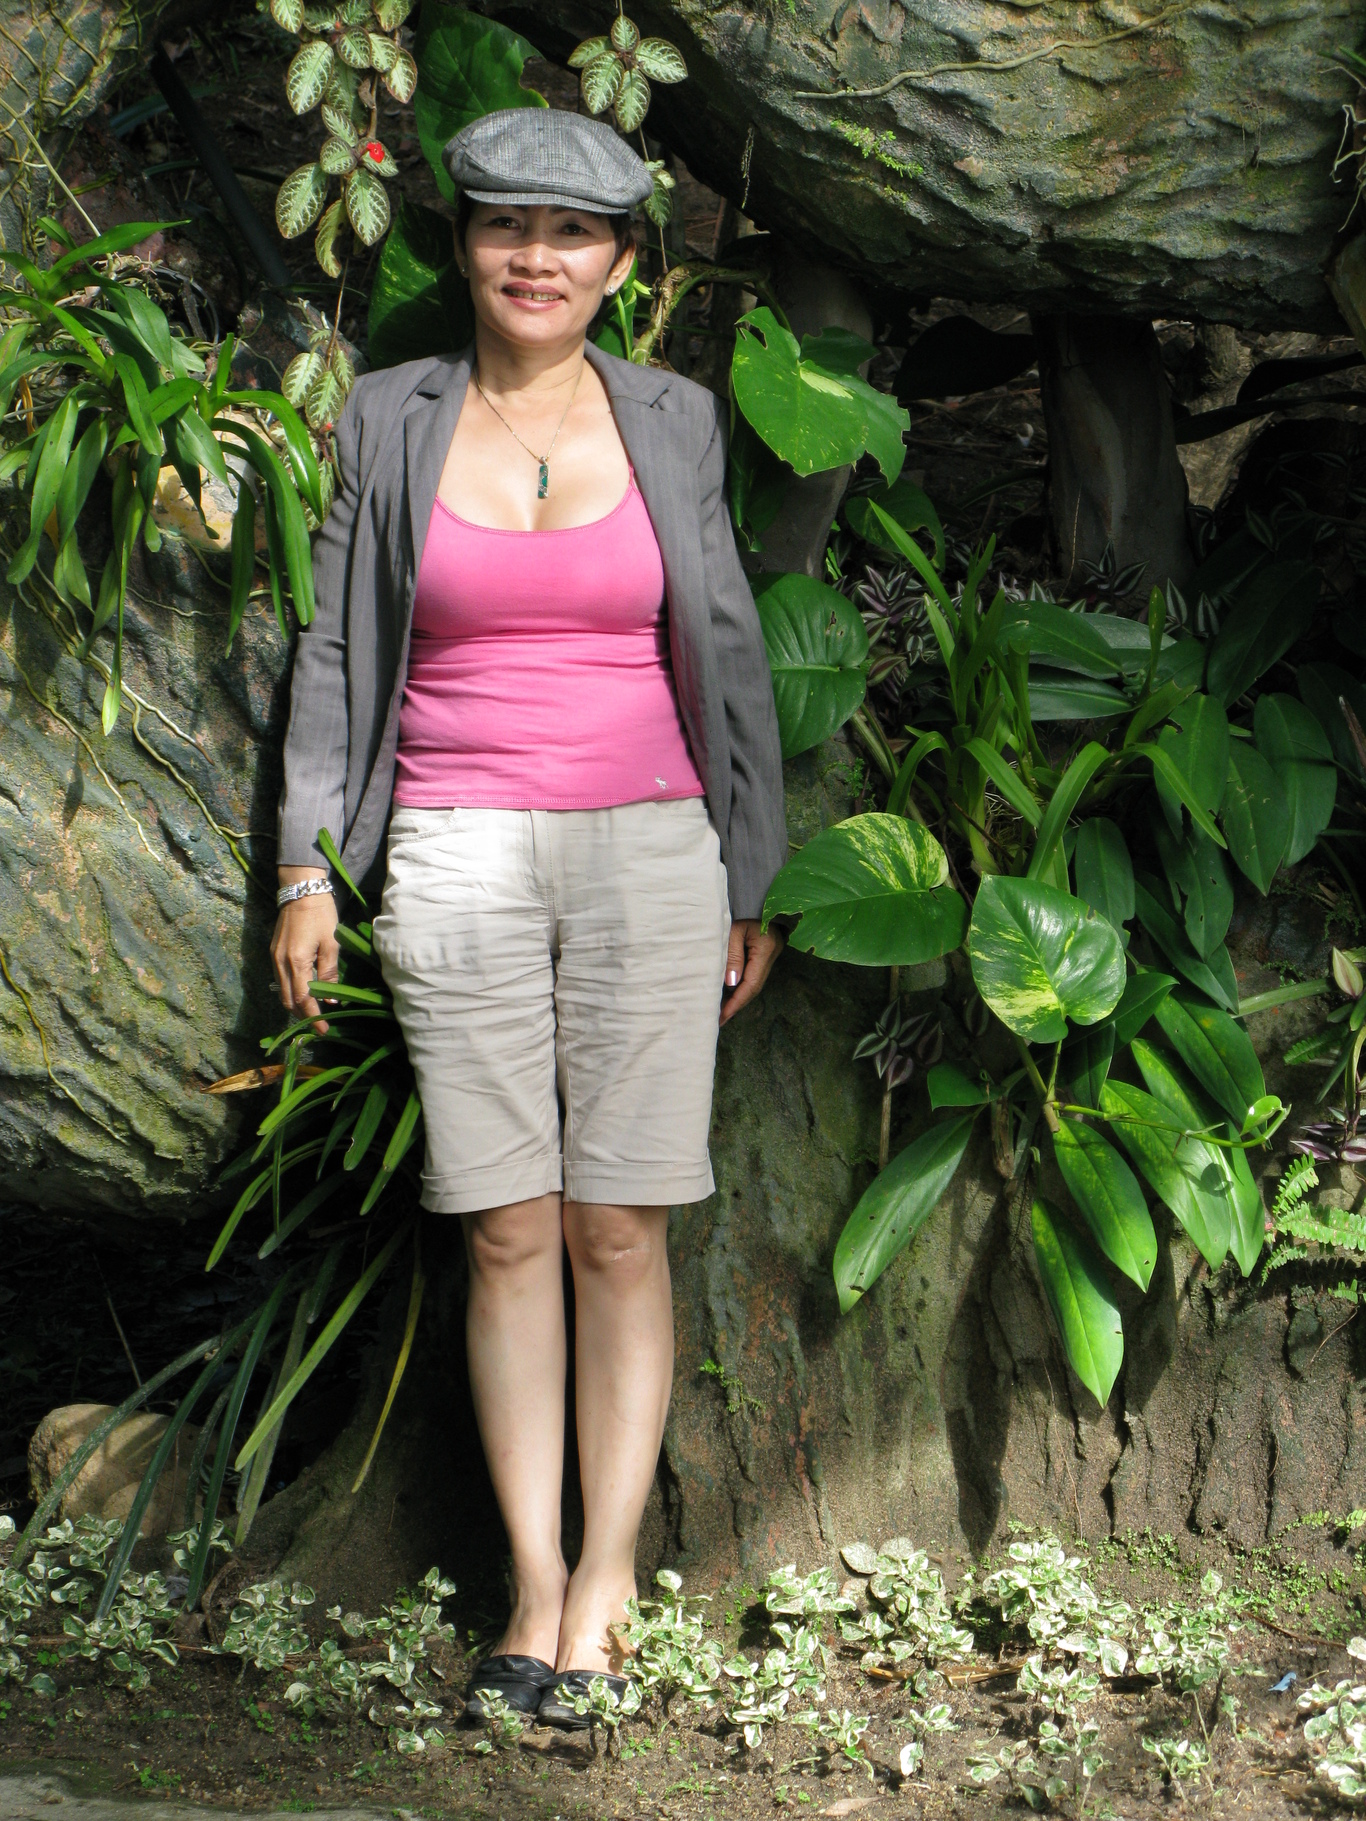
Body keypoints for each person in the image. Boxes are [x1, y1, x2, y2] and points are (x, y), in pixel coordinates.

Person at [269, 107, 787, 1729]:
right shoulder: (387, 416)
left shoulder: (677, 419)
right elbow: (334, 653)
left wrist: (751, 870)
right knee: (502, 1222)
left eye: (572, 235)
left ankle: (610, 1578)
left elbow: (728, 643)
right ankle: (534, 1584)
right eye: (506, 226)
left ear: (620, 263)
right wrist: (305, 870)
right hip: (452, 848)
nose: (535, 258)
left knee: (618, 1225)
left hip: (651, 851)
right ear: (465, 246)